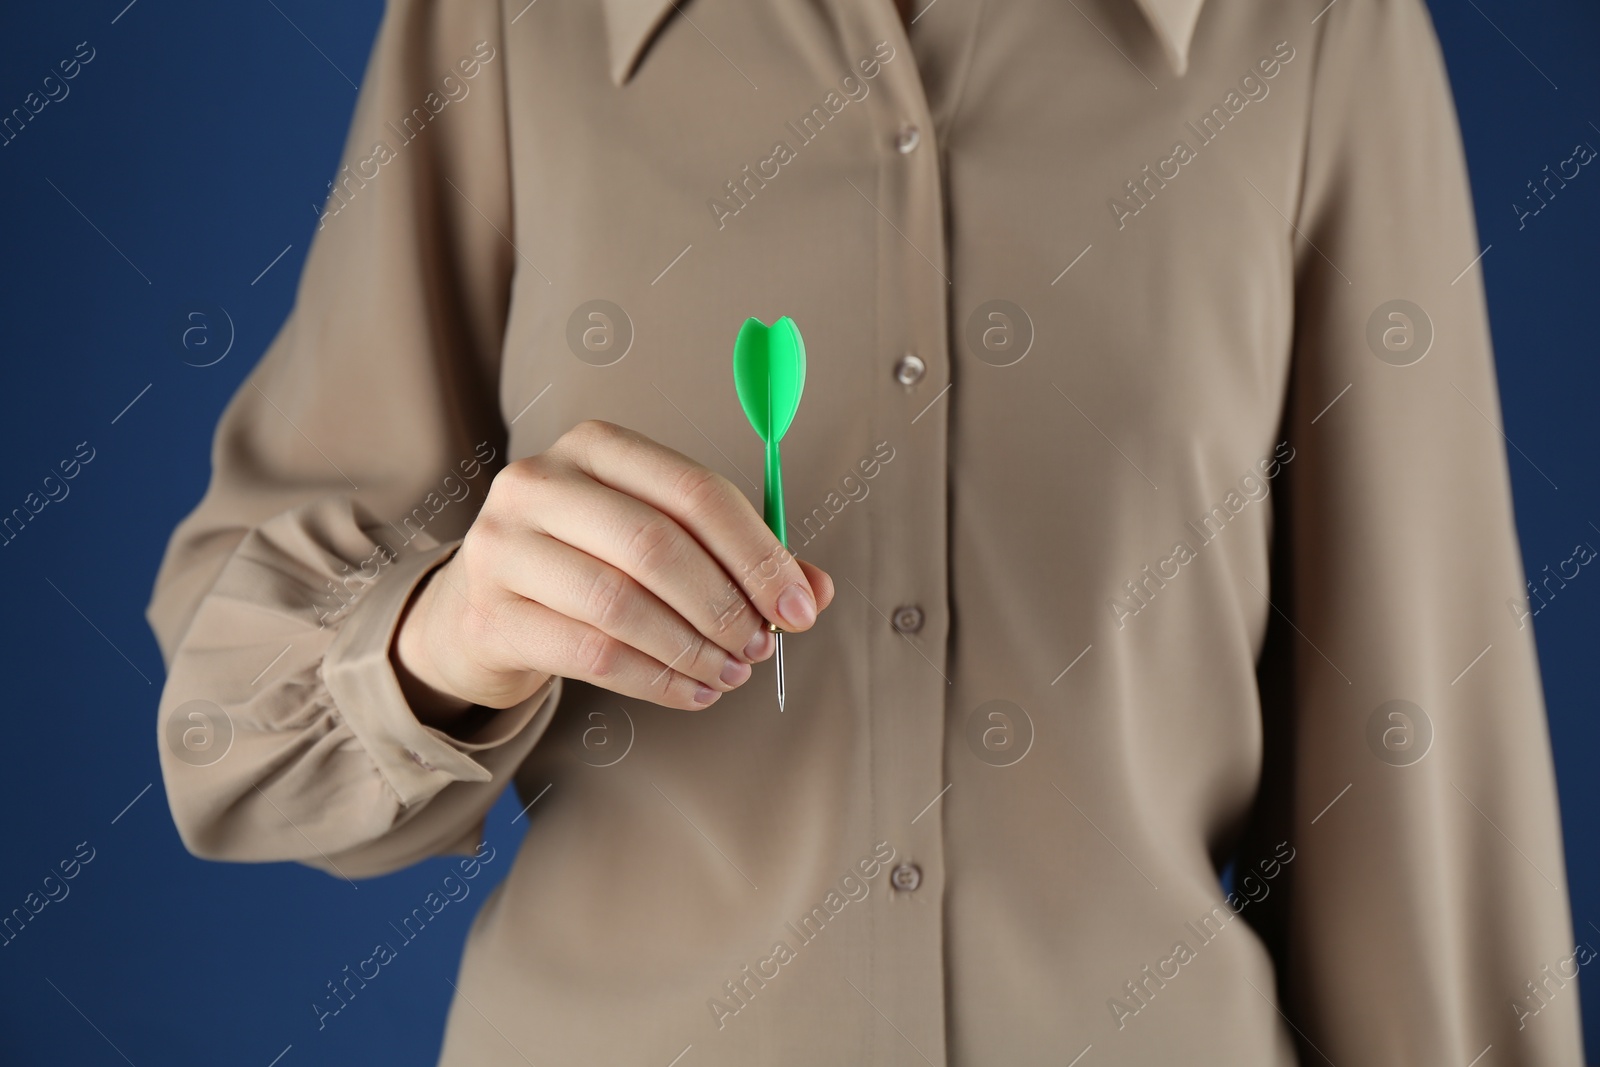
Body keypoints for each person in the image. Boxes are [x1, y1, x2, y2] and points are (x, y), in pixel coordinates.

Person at [147, 0, 1586, 1063]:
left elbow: (1413, 761)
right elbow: (232, 733)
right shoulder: (514, 23)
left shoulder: (1319, 34)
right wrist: (444, 636)